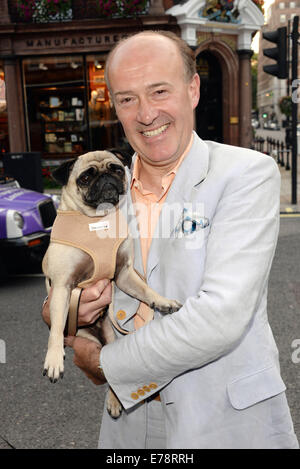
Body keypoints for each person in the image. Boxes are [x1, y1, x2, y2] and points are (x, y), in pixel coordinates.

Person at [42, 31, 299, 449]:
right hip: (127, 425)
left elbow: (219, 318)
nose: (146, 114)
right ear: (115, 107)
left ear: (193, 89)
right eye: (127, 99)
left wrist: (106, 363)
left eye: (159, 91)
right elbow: (59, 284)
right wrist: (69, 310)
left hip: (224, 421)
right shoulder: (101, 191)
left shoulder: (246, 174)